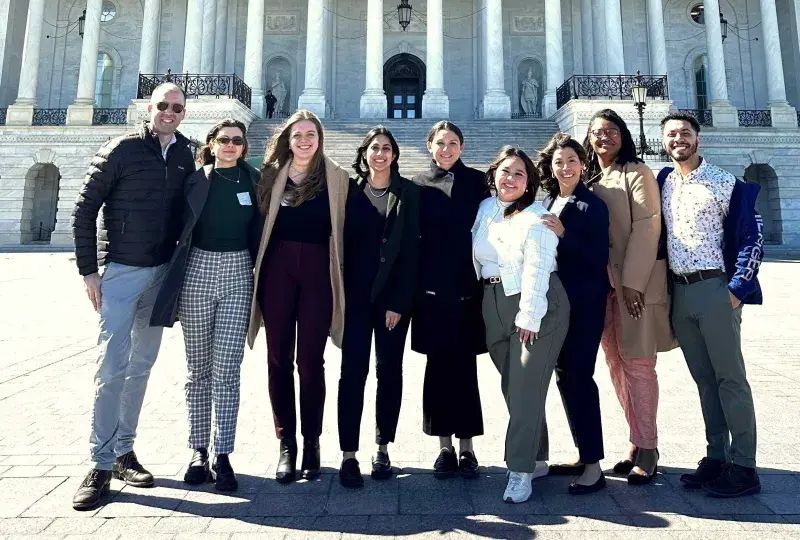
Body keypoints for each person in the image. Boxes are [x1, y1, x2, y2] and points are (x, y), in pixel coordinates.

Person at [70, 83, 195, 510]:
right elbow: (84, 208)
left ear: (183, 113)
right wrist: (89, 270)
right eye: (163, 105)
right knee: (111, 368)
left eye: (176, 107)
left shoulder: (185, 155)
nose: (169, 112)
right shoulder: (120, 149)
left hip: (161, 275)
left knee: (141, 366)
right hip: (122, 271)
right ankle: (100, 462)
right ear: (149, 108)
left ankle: (124, 451)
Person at [150, 119, 264, 492]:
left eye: (236, 141)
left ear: (244, 147)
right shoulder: (196, 179)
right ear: (212, 144)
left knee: (227, 370)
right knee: (198, 368)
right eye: (224, 140)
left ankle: (223, 453)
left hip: (238, 273)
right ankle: (198, 449)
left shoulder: (255, 181)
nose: (230, 145)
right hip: (198, 269)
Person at [658, 112, 764, 497]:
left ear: (697, 139)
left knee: (730, 379)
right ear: (664, 142)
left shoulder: (725, 183)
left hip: (716, 288)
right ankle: (717, 456)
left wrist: (736, 289)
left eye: (685, 133)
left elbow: (753, 236)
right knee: (704, 381)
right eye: (671, 135)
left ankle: (745, 465)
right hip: (681, 292)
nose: (678, 139)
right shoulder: (664, 182)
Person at [246, 110, 350, 484]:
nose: (304, 141)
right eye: (298, 135)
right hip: (277, 270)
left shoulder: (337, 178)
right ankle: (285, 442)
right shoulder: (269, 174)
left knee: (311, 361)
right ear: (287, 139)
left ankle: (312, 442)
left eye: (311, 134)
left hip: (318, 273)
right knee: (278, 359)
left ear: (320, 138)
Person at [583, 108, 676, 485]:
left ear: (623, 136)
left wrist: (634, 281)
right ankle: (636, 442)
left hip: (633, 287)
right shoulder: (591, 178)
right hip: (602, 288)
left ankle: (649, 446)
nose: (604, 138)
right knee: (616, 365)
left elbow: (647, 226)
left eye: (611, 131)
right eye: (597, 132)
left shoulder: (637, 173)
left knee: (638, 364)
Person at [473, 146, 569, 503]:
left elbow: (538, 268)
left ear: (529, 183)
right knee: (514, 386)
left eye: (519, 174)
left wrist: (529, 315)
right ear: (494, 174)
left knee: (527, 387)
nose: (510, 179)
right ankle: (538, 456)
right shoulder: (485, 210)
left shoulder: (538, 218)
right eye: (505, 172)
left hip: (537, 304)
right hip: (492, 301)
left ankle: (519, 470)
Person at [337, 126, 420, 488]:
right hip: (355, 298)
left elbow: (413, 252)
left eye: (387, 148)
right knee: (351, 375)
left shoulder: (409, 192)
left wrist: (399, 302)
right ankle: (348, 453)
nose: (381, 154)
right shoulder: (349, 191)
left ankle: (383, 446)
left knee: (390, 373)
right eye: (375, 148)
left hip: (391, 303)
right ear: (364, 152)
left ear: (395, 154)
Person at [411, 121, 488, 479]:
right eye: (440, 143)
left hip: (468, 289)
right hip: (429, 292)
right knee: (437, 370)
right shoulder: (417, 185)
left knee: (466, 369)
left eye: (453, 143)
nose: (446, 149)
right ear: (429, 146)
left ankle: (468, 447)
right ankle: (443, 447)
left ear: (462, 146)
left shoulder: (477, 182)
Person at [536, 133, 610, 495]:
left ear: (583, 164)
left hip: (584, 304)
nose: (565, 167)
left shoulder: (591, 204)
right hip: (559, 304)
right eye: (558, 162)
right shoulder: (552, 199)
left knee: (580, 376)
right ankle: (584, 454)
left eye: (571, 161)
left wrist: (564, 234)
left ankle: (594, 466)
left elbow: (597, 257)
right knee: (565, 377)